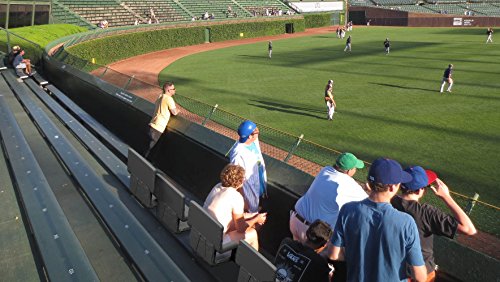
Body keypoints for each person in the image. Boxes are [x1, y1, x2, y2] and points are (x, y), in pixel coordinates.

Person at [327, 158, 427, 282]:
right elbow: (420, 277)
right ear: (392, 188)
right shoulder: (406, 222)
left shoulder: (347, 210)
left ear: (369, 183)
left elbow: (333, 255)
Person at [391, 166, 477, 281]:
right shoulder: (426, 213)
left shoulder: (388, 202)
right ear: (421, 190)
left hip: (393, 270)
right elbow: (469, 229)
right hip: (422, 273)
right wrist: (446, 196)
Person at [290, 152, 366, 242]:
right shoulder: (348, 184)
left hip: (295, 222)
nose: (356, 170)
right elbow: (370, 201)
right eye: (355, 168)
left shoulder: (325, 170)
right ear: (349, 171)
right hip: (313, 234)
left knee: (293, 252)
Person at [204, 164, 267, 250]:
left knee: (245, 220)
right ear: (241, 181)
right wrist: (256, 219)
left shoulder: (217, 186)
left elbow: (238, 215)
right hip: (212, 247)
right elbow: (241, 229)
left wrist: (253, 216)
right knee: (252, 233)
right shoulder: (236, 197)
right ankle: (253, 263)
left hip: (200, 236)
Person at [229, 120, 267, 213]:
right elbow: (235, 179)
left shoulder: (252, 141)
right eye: (256, 131)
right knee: (250, 217)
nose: (258, 131)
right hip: (248, 191)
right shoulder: (238, 153)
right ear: (249, 136)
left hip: (259, 187)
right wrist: (243, 201)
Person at [144, 81, 178, 157]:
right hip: (158, 128)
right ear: (169, 90)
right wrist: (177, 111)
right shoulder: (169, 99)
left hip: (152, 125)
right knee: (150, 151)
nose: (175, 90)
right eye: (173, 89)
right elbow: (174, 112)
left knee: (147, 148)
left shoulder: (160, 96)